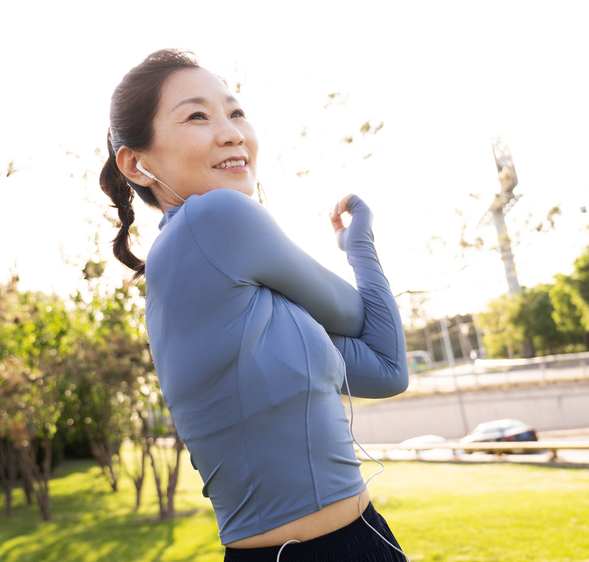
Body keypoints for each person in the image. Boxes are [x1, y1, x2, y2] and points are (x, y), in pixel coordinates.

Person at [100, 49, 410, 561]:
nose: (231, 133)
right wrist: (360, 247)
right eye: (197, 116)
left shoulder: (222, 279)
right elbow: (366, 322)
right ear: (137, 163)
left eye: (236, 112)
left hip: (366, 538)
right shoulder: (215, 219)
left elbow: (389, 370)